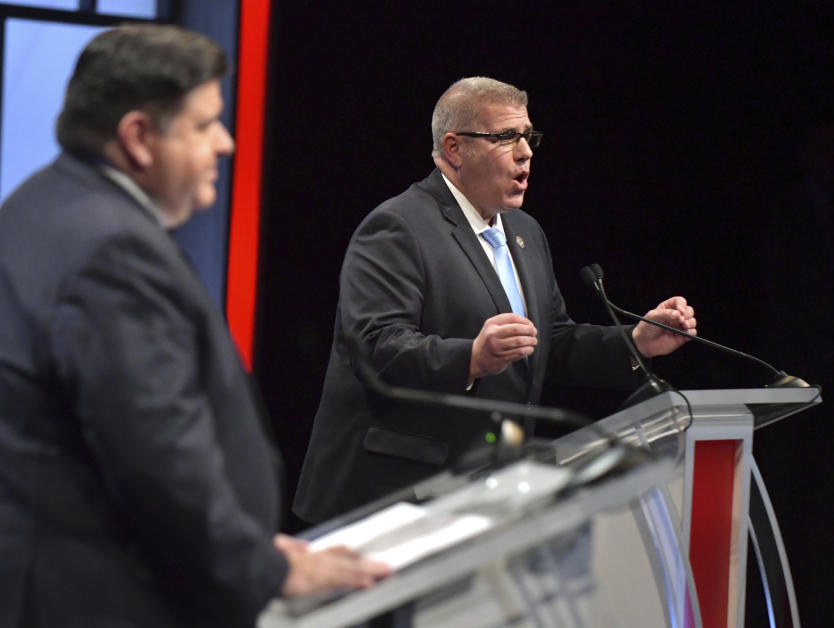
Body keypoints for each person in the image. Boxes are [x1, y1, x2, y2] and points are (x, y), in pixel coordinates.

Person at [0, 25, 388, 628]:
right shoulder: (109, 250)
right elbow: (158, 457)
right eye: (205, 124)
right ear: (138, 137)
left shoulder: (47, 202)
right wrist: (262, 569)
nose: (227, 142)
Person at [293, 77, 697, 524]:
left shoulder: (524, 232)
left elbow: (550, 342)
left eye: (528, 136)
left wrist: (635, 342)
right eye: (506, 137)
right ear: (454, 149)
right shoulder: (397, 227)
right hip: (394, 499)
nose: (526, 152)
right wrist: (471, 358)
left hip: (488, 497)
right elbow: (375, 349)